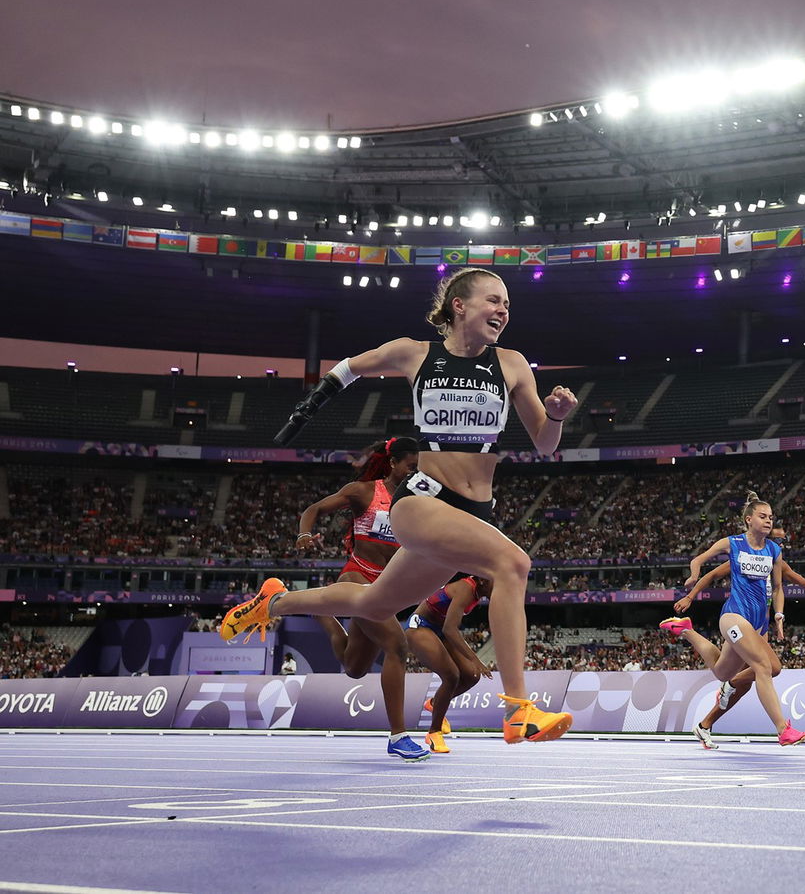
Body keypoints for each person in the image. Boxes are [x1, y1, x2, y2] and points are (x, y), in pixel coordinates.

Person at [220, 268, 574, 745]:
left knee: (374, 601)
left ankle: (273, 602)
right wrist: (315, 401)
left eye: (508, 304)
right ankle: (518, 711)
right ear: (459, 305)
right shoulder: (415, 353)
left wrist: (554, 416)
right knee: (513, 563)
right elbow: (351, 365)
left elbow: (546, 445)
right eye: (494, 300)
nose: (504, 310)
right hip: (422, 503)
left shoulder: (511, 363)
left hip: (472, 512)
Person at [293, 436, 427, 760]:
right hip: (358, 578)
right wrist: (304, 534)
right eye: (410, 467)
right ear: (393, 463)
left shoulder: (415, 503)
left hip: (387, 589)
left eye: (418, 470)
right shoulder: (364, 491)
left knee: (354, 667)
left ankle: (325, 616)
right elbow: (314, 509)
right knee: (397, 647)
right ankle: (399, 736)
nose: (414, 474)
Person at [658, 492, 805, 746]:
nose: (769, 521)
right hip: (734, 617)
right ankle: (783, 729)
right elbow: (699, 559)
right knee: (762, 668)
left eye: (771, 517)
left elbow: (779, 587)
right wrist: (693, 577)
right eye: (763, 516)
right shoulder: (733, 542)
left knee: (731, 670)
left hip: (758, 623)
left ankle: (686, 630)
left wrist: (780, 615)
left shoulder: (774, 549)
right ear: (749, 520)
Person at [405, 575, 495, 753]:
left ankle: (434, 702)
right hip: (421, 626)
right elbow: (450, 629)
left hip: (440, 629)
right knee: (451, 675)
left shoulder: (479, 591)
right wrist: (476, 659)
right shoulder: (466, 588)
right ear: (483, 580)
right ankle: (434, 733)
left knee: (471, 675)